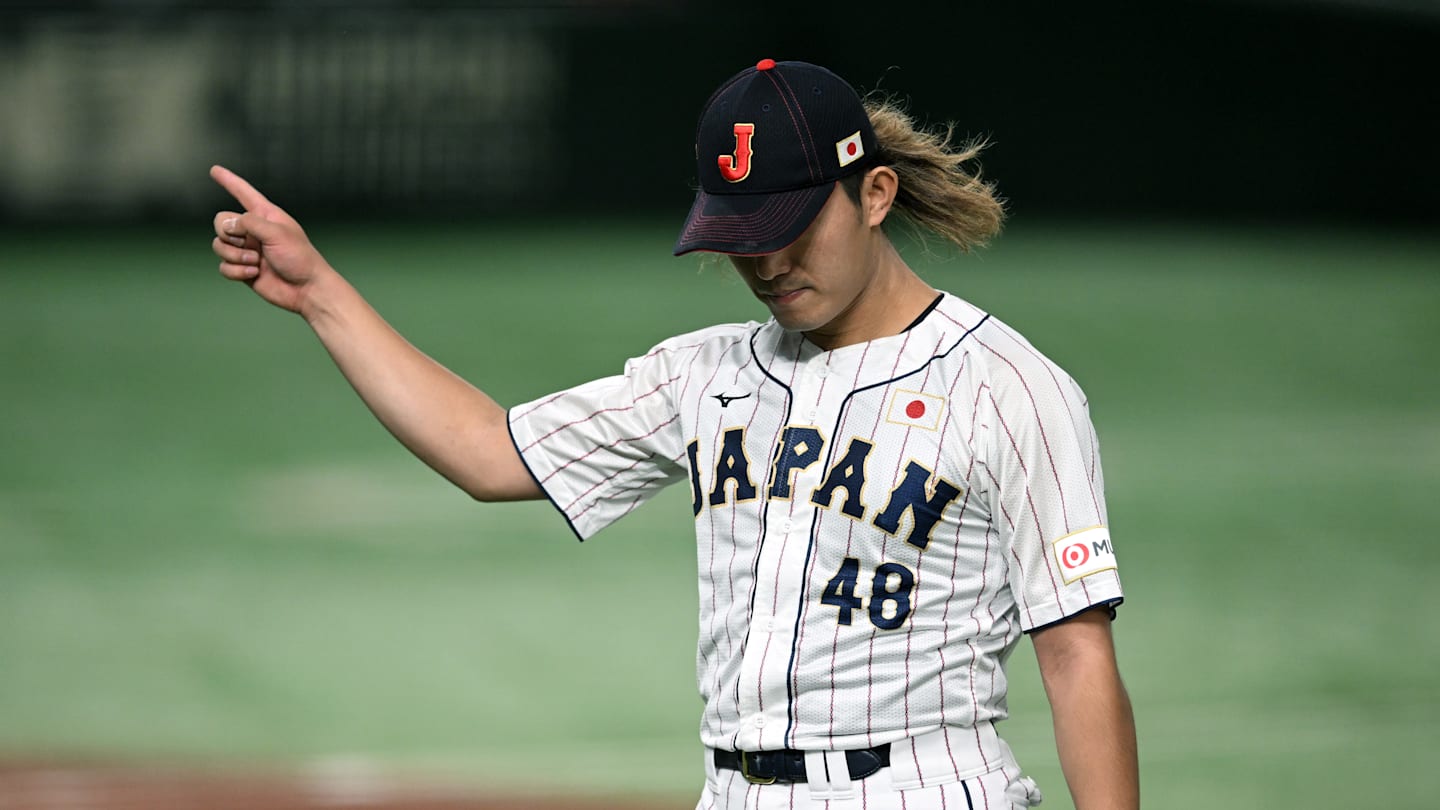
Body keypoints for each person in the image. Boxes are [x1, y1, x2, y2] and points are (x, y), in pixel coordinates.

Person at [210, 58, 1138, 810]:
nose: (766, 263)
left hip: (921, 791)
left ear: (876, 194)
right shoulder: (706, 375)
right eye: (743, 235)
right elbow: (491, 452)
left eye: (793, 227)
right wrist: (320, 296)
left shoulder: (1009, 386)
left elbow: (1074, 648)